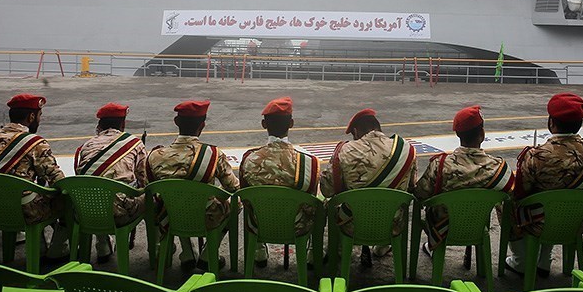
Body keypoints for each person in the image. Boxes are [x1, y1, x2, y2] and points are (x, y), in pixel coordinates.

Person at [504, 93, 583, 278]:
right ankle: (544, 259)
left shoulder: (537, 155)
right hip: (578, 222)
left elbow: (520, 194)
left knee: (507, 202)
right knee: (556, 200)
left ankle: (520, 260)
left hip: (542, 224)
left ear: (551, 122)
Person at [146, 100, 239, 271]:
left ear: (176, 122)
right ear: (202, 125)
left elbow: (148, 189)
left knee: (173, 200)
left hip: (171, 216)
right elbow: (233, 187)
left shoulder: (155, 156)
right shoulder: (213, 154)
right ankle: (208, 253)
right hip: (206, 216)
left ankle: (187, 252)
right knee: (236, 203)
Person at [0, 93, 69, 260]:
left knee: (32, 195)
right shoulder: (35, 143)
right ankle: (58, 250)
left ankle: (39, 246)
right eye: (39, 116)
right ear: (31, 116)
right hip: (24, 211)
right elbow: (57, 179)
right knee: (67, 201)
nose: (39, 120)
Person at [320, 108, 417, 268]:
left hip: (354, 225)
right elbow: (412, 188)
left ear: (356, 132)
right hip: (391, 224)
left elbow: (327, 190)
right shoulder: (406, 149)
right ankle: (383, 246)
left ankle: (338, 251)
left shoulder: (344, 151)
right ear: (379, 128)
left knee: (335, 204)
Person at [414, 105, 514, 257]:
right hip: (477, 226)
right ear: (482, 133)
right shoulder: (497, 167)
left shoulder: (440, 165)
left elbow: (420, 195)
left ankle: (434, 247)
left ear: (458, 135)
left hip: (442, 228)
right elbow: (511, 194)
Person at [239, 96, 319, 267]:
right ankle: (312, 254)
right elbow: (310, 200)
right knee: (320, 204)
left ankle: (259, 251)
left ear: (264, 124)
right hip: (296, 225)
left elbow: (245, 198)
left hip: (259, 223)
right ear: (291, 124)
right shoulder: (309, 163)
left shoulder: (249, 160)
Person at [74, 102, 148, 264]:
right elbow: (144, 180)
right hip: (120, 214)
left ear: (99, 125)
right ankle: (156, 250)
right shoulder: (134, 143)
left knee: (95, 192)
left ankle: (102, 244)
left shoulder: (86, 146)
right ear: (123, 124)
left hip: (86, 212)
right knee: (152, 199)